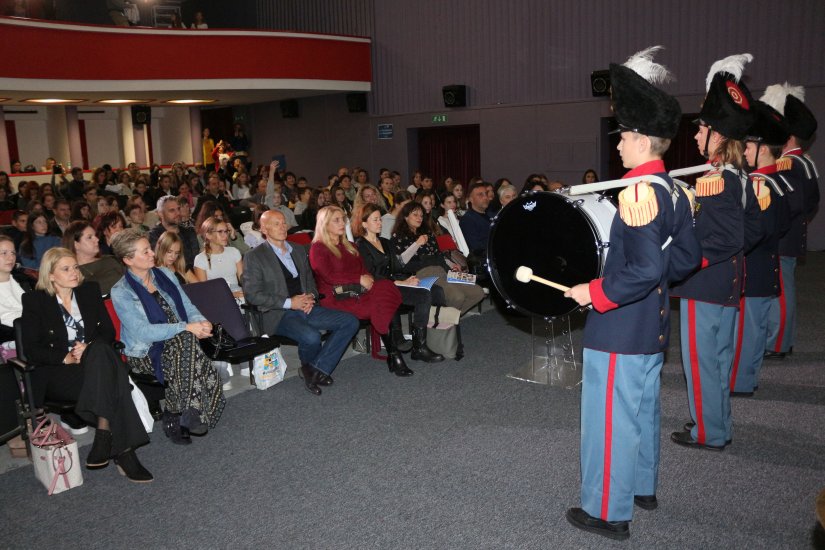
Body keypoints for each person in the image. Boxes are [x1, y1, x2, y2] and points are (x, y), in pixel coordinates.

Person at [562, 46, 701, 540]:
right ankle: (641, 486)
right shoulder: (674, 191)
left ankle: (607, 510)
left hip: (620, 326)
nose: (618, 144)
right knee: (641, 410)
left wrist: (593, 291)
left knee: (608, 422)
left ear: (642, 140)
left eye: (623, 136)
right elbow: (683, 261)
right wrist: (647, 277)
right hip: (652, 323)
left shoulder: (639, 193)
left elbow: (642, 268)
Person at [670, 54, 758, 452]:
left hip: (705, 282)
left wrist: (687, 262)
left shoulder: (716, 180)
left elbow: (722, 239)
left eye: (701, 129)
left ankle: (709, 432)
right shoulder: (741, 176)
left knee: (702, 361)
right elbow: (750, 230)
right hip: (728, 280)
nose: (695, 136)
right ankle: (716, 421)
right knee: (718, 359)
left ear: (717, 136)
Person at [22, 247, 152, 481]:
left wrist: (89, 347)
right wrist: (66, 356)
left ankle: (104, 436)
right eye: (66, 269)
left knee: (101, 350)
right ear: (50, 275)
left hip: (94, 363)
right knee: (115, 379)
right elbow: (32, 349)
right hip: (59, 372)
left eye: (75, 267)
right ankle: (123, 453)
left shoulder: (88, 291)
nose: (74, 272)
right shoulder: (35, 300)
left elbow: (108, 332)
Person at [111, 230, 225, 443]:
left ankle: (177, 411)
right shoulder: (121, 291)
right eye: (144, 251)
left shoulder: (165, 274)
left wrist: (201, 321)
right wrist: (186, 327)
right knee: (188, 341)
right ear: (128, 259)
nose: (152, 254)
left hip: (181, 342)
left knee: (186, 341)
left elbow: (188, 306)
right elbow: (143, 332)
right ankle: (182, 411)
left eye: (149, 248)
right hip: (146, 351)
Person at [243, 210, 359, 395]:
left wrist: (310, 297)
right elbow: (252, 295)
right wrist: (290, 303)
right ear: (264, 229)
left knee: (350, 321)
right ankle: (316, 371)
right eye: (276, 224)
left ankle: (314, 370)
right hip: (279, 313)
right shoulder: (255, 256)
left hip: (306, 307)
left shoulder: (297, 249)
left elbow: (310, 282)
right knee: (311, 337)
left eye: (283, 223)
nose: (282, 227)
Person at [729, 101, 791, 396]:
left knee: (746, 334)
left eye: (750, 146)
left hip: (752, 270)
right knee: (753, 331)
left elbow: (751, 231)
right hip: (766, 267)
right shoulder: (777, 181)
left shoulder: (758, 184)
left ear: (763, 148)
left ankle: (740, 383)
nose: (745, 151)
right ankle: (747, 379)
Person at [309, 206, 413, 376]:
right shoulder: (318, 248)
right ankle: (394, 353)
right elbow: (328, 276)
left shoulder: (349, 245)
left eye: (343, 219)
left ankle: (393, 353)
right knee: (380, 302)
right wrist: (357, 279)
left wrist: (366, 278)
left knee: (386, 286)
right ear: (324, 224)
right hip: (337, 297)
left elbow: (364, 269)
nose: (342, 223)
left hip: (359, 291)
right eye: (336, 220)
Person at [760, 82, 820, 359]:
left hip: (783, 237)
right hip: (793, 234)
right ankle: (781, 339)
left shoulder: (788, 163)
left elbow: (790, 203)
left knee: (780, 292)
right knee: (784, 288)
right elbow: (811, 203)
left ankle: (778, 342)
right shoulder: (805, 162)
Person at [354, 204, 444, 362]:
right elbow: (373, 276)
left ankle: (421, 344)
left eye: (380, 219)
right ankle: (411, 343)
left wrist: (406, 280)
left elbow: (397, 266)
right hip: (378, 288)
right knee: (420, 294)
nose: (380, 223)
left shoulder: (385, 242)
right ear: (364, 224)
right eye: (375, 220)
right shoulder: (361, 246)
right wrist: (401, 282)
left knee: (430, 290)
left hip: (394, 283)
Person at [391, 202, 485, 315]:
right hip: (422, 273)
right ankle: (440, 322)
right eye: (415, 215)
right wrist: (417, 244)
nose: (419, 218)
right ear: (406, 217)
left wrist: (451, 266)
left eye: (421, 215)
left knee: (478, 292)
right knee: (457, 296)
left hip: (442, 271)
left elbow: (439, 256)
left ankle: (446, 319)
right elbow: (399, 263)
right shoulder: (398, 237)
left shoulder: (428, 235)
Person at [63, 221, 124, 296]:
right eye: (89, 237)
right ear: (76, 245)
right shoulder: (72, 273)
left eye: (95, 236)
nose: (97, 239)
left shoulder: (111, 260)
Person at [194, 216, 244, 298]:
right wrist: (231, 295)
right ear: (209, 235)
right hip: (217, 298)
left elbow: (243, 281)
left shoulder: (234, 252)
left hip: (238, 295)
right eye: (220, 232)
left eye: (226, 231)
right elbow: (204, 291)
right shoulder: (200, 259)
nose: (225, 235)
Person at [147, 196, 200, 272]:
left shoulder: (189, 231)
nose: (178, 213)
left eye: (178, 209)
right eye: (172, 210)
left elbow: (196, 260)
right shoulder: (154, 235)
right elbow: (160, 262)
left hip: (194, 275)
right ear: (160, 214)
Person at [459, 181, 494, 261]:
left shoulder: (491, 216)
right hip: (484, 261)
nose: (485, 197)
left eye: (486, 194)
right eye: (480, 195)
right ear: (471, 199)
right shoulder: (467, 220)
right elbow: (476, 248)